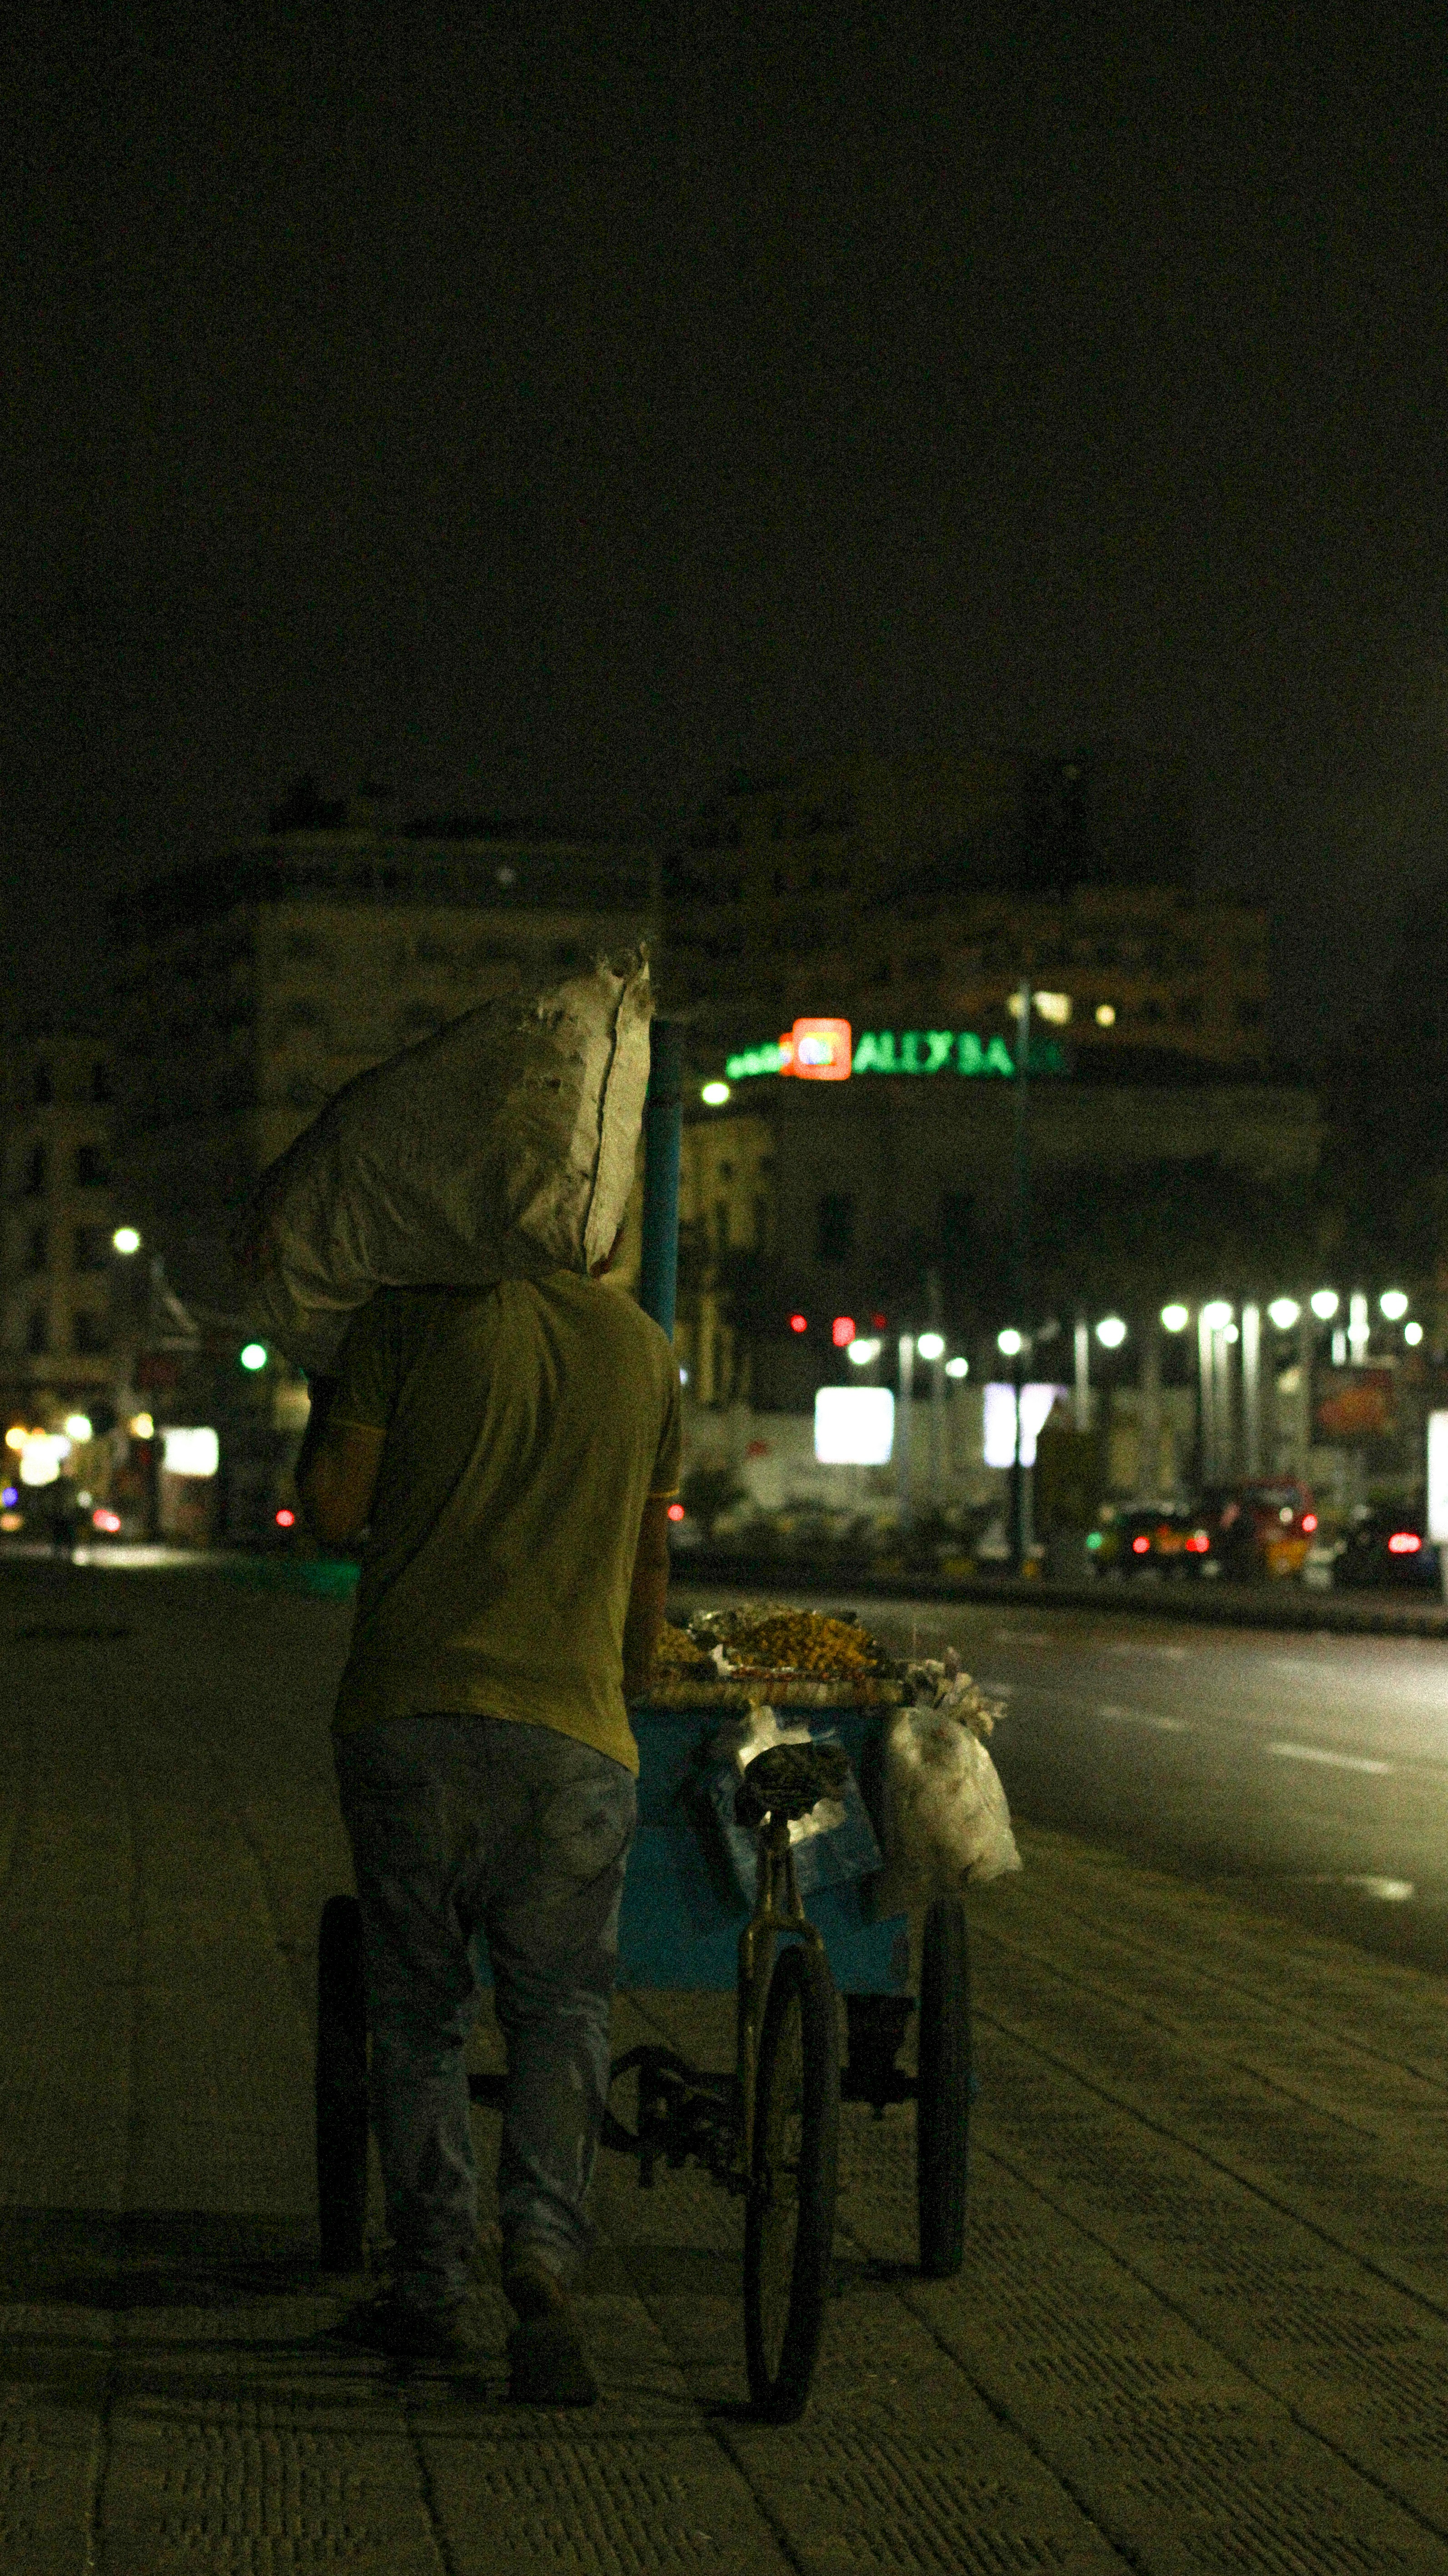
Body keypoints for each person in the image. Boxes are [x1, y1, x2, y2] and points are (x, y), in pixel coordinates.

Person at [296, 1236, 678, 2402]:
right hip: (573, 1734)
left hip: (411, 1715)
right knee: (563, 2007)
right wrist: (628, 1677)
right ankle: (546, 2257)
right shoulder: (640, 1344)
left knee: (416, 2014)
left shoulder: (403, 1317)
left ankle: (428, 2284)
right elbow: (650, 1555)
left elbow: (330, 1511)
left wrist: (330, 1398)